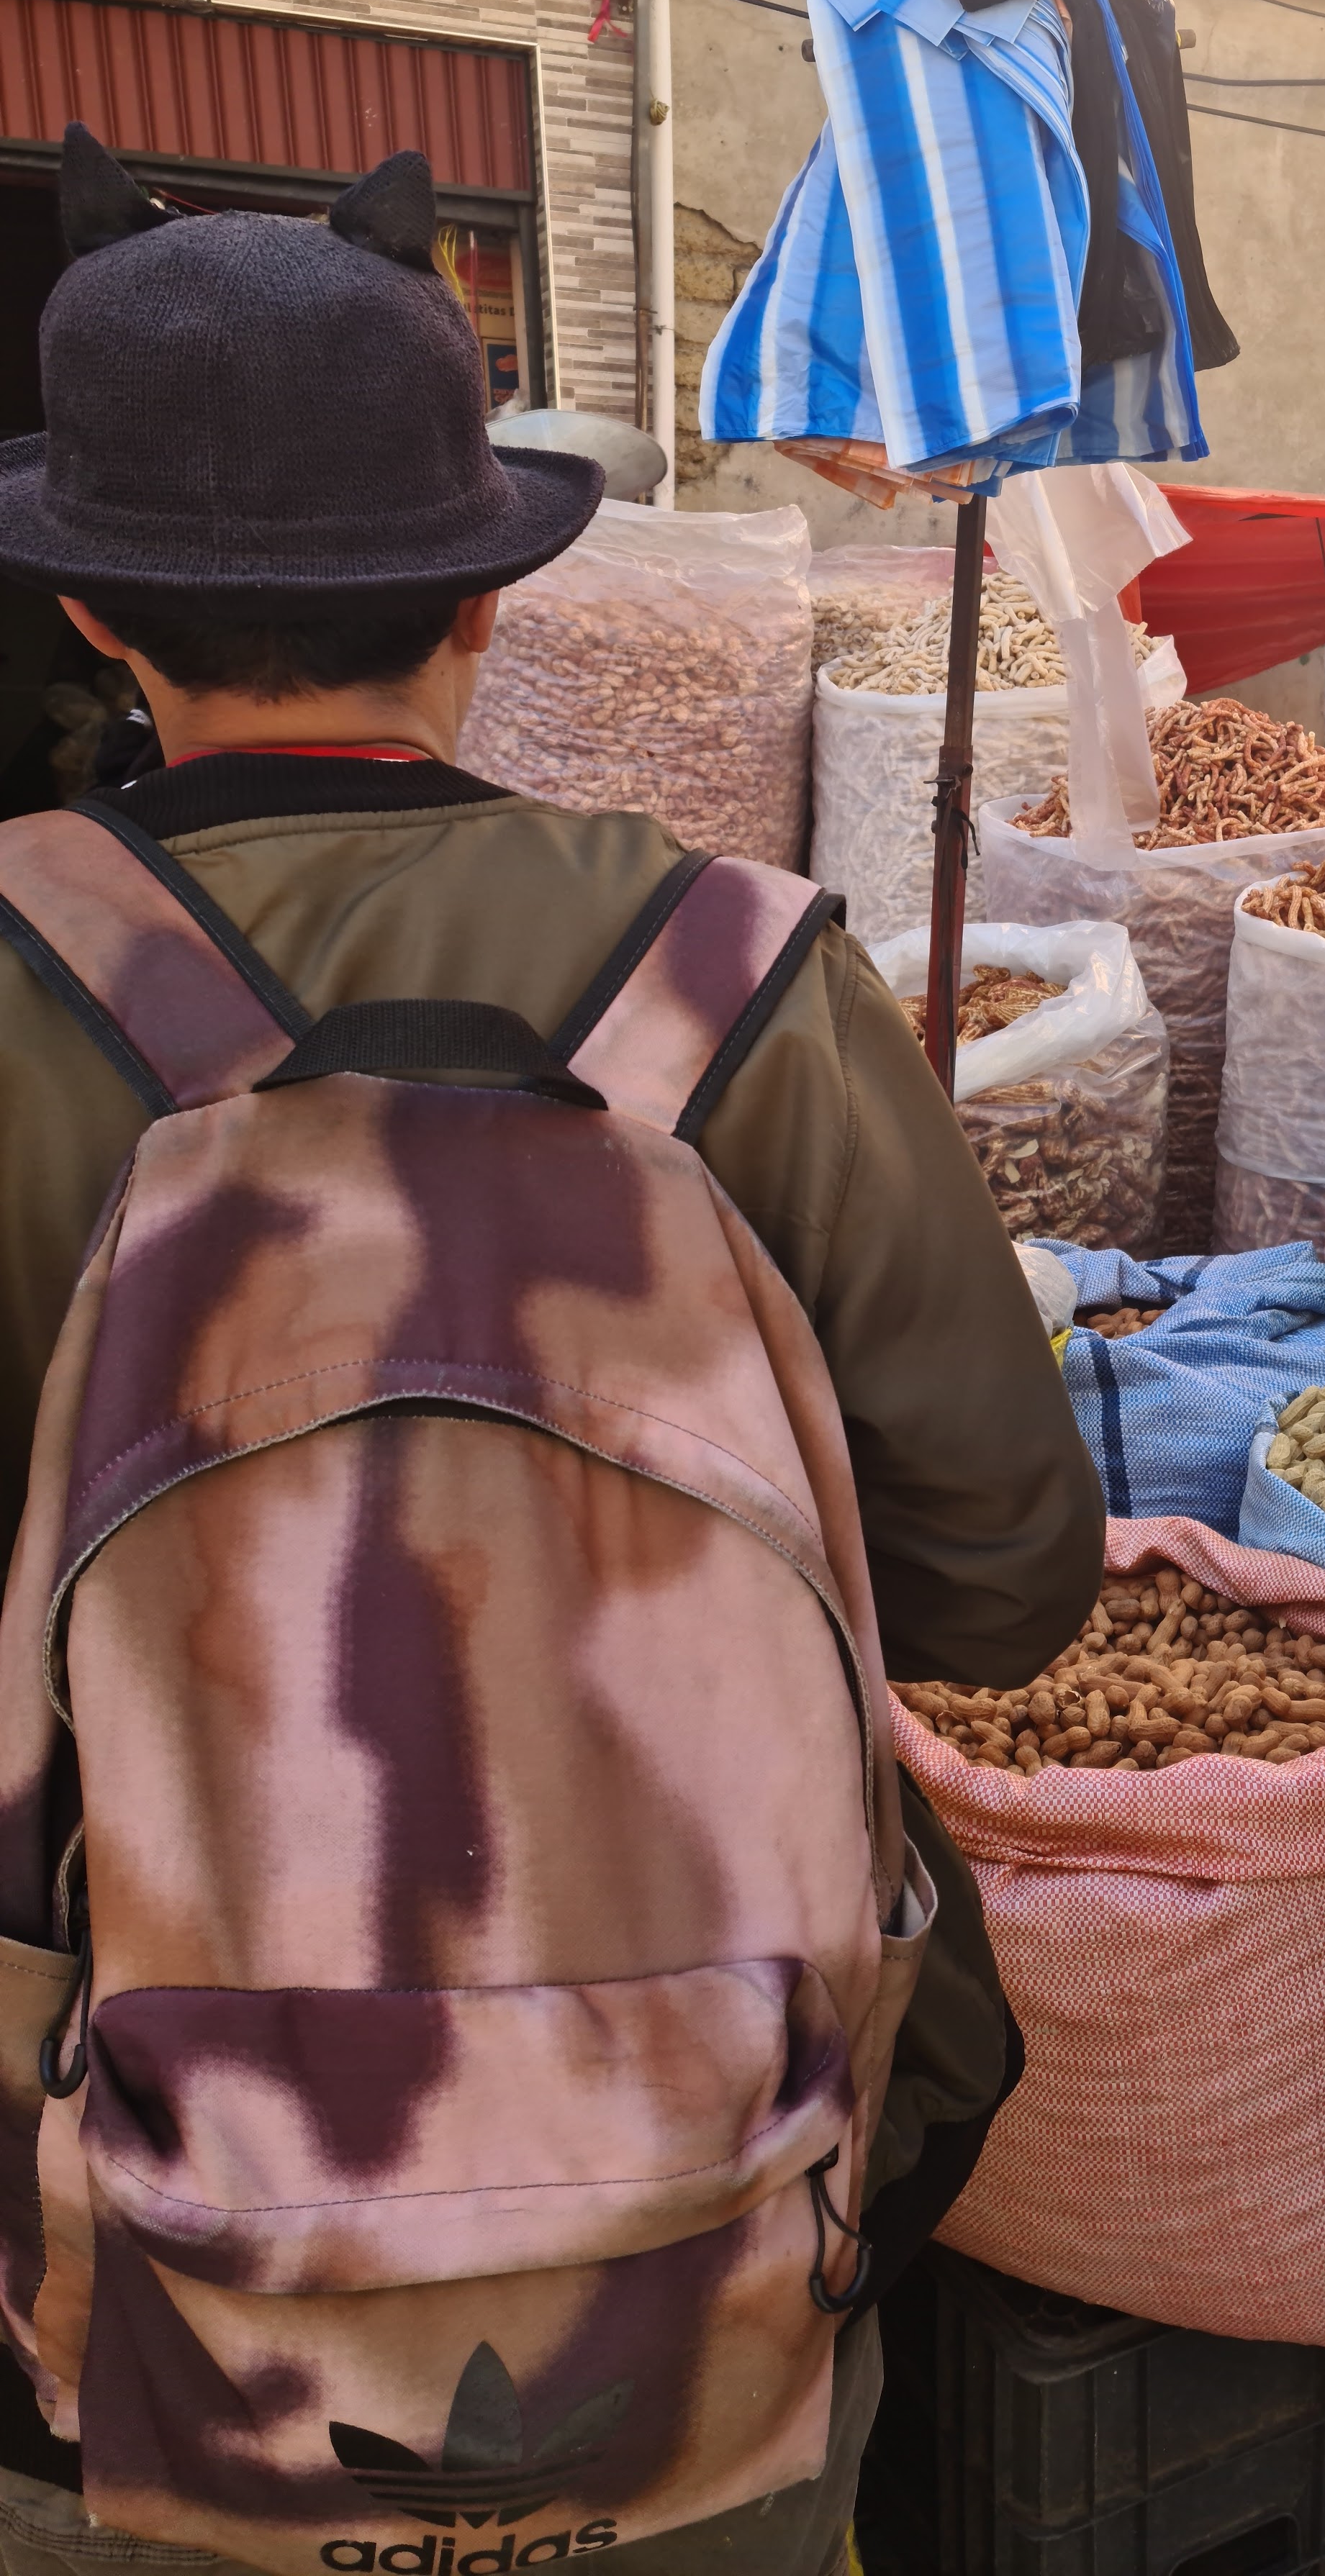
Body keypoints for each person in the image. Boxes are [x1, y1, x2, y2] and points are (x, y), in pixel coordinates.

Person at [0, 129, 1103, 2576]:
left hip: (136, 2244)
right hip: (705, 2212)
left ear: (87, 611)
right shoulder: (738, 986)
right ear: (489, 603)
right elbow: (1007, 1585)